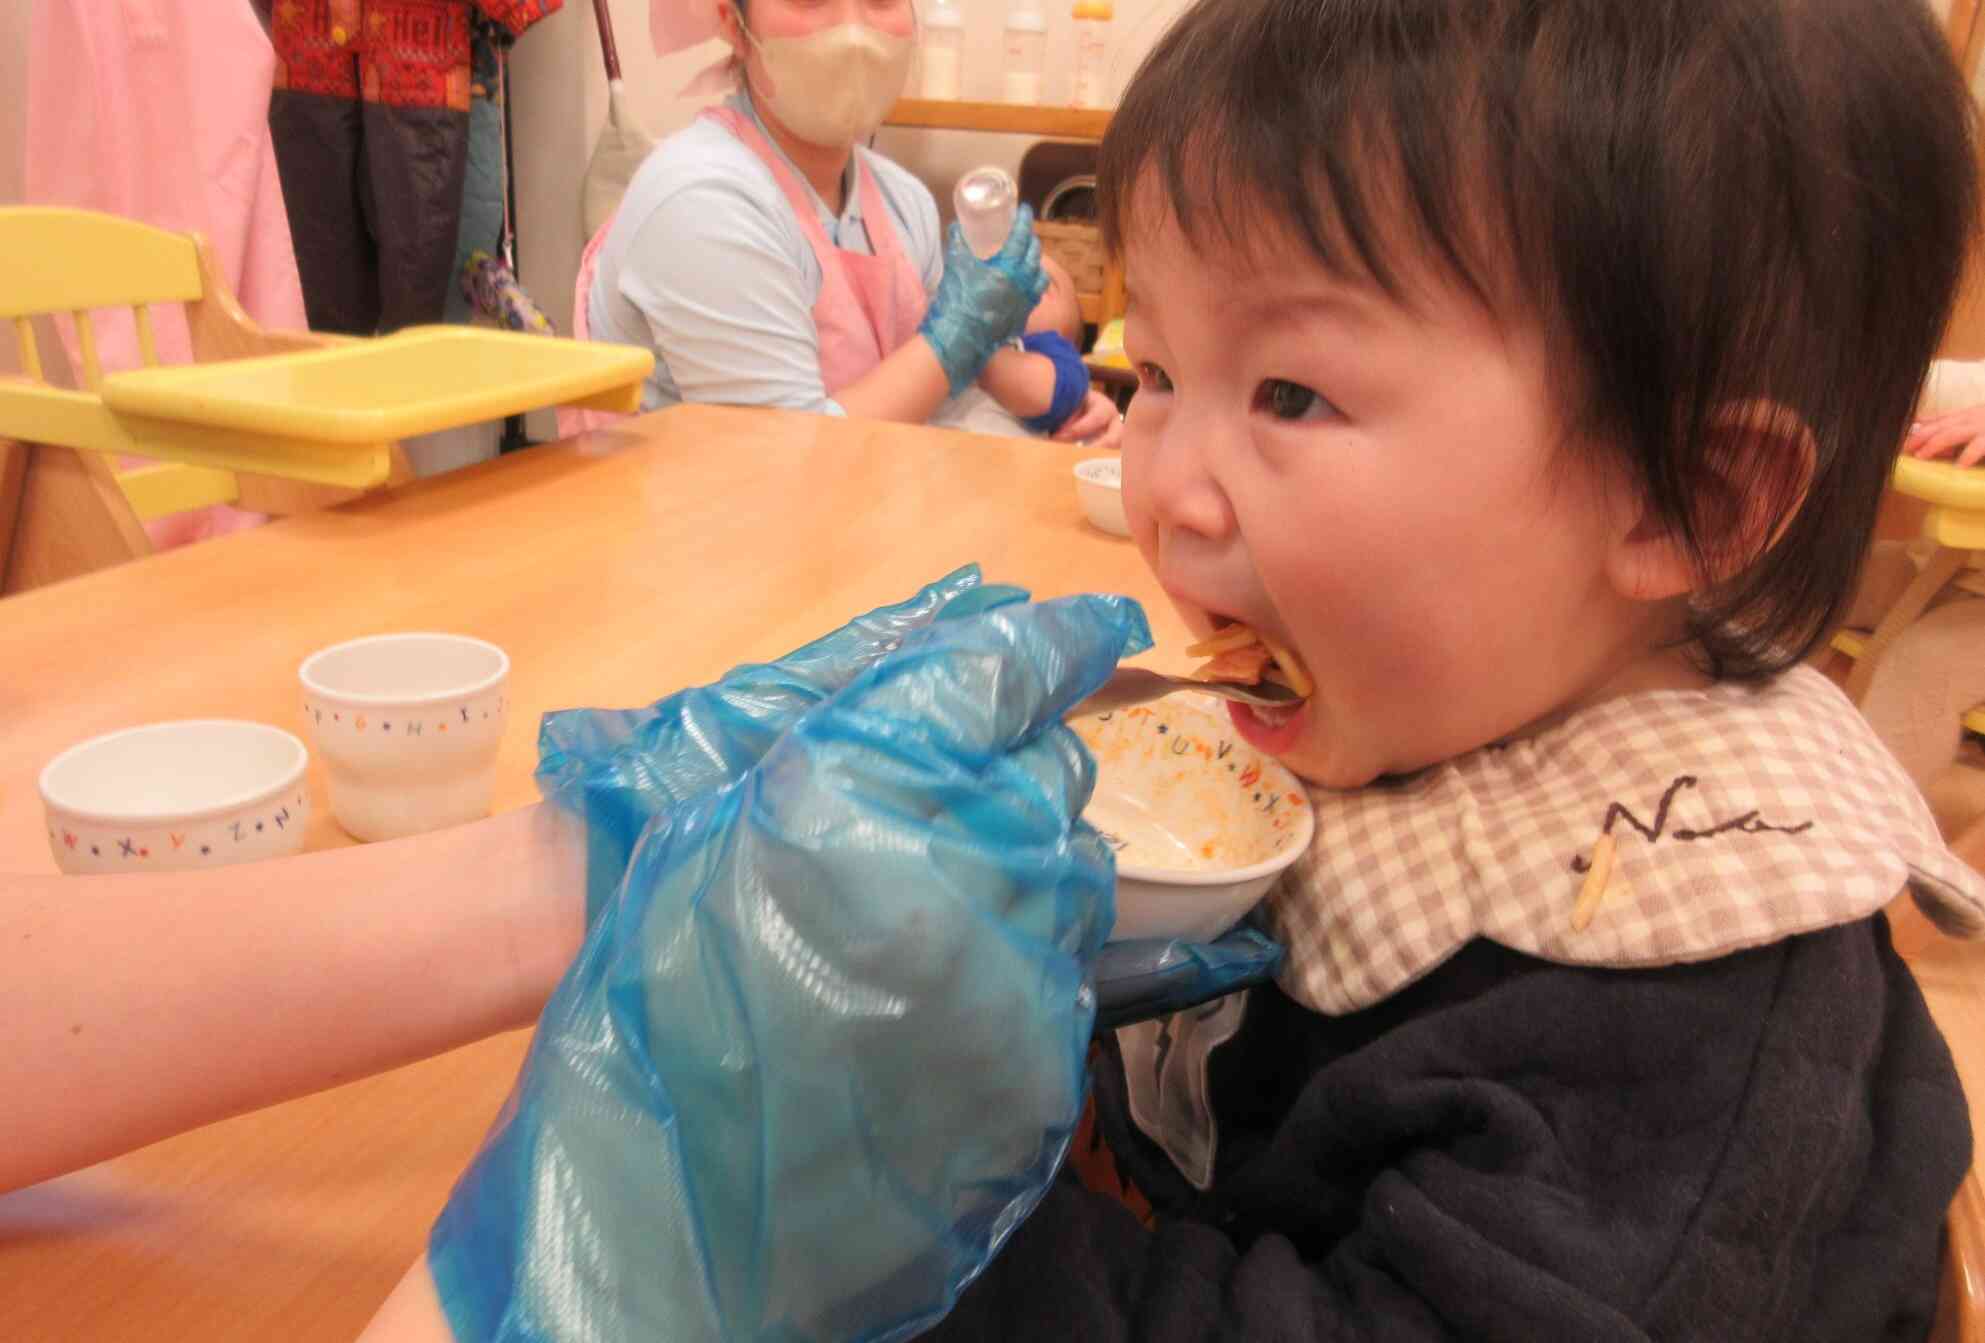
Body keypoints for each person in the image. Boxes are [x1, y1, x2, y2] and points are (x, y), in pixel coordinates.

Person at [358, 0, 1985, 1336]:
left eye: (1291, 396)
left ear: (1682, 499)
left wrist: (897, 1210)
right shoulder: (1434, 697)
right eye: (1156, 374)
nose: (1161, 488)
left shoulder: (1680, 1017)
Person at [568, 0, 1124, 451]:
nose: (853, 33)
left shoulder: (901, 201)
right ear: (733, 25)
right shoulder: (700, 199)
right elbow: (785, 462)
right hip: (701, 537)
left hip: (853, 523)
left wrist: (1062, 430)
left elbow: (948, 403)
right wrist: (955, 337)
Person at [933, 253, 1119, 441]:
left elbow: (1045, 395)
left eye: (1039, 280)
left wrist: (981, 354)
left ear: (1066, 339)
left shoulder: (1060, 363)